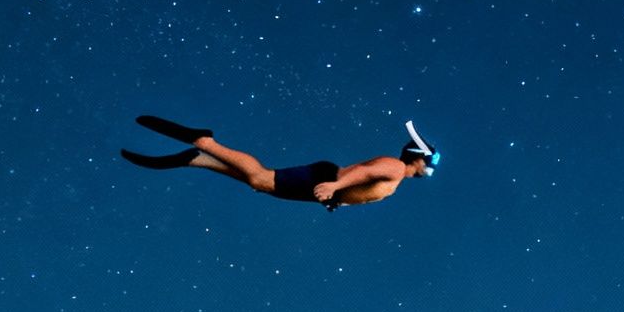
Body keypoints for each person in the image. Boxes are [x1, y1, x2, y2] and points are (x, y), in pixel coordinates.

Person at [121, 116, 439, 210]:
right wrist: (335, 186)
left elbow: (365, 183)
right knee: (261, 177)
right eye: (431, 160)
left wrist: (338, 198)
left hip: (328, 187)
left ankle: (198, 159)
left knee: (260, 183)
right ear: (418, 157)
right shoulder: (397, 168)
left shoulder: (398, 175)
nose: (431, 167)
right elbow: (365, 172)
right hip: (325, 179)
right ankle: (205, 143)